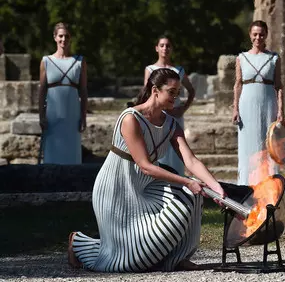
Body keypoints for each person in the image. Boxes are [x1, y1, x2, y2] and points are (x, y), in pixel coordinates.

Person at [68, 68, 225, 272]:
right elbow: (145, 166)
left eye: (178, 92)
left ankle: (177, 258)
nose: (176, 97)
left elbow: (191, 160)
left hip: (146, 189)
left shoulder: (171, 124)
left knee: (192, 197)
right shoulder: (130, 118)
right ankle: (78, 242)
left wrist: (217, 189)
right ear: (155, 90)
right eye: (171, 91)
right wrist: (187, 181)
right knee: (129, 262)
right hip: (117, 190)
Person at [232, 20, 283, 186]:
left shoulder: (274, 58)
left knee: (268, 144)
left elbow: (279, 86)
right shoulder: (242, 58)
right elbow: (238, 84)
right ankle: (247, 185)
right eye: (255, 34)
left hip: (268, 103)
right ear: (250, 35)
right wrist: (235, 108)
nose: (258, 37)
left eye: (261, 34)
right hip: (247, 104)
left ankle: (269, 185)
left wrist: (281, 110)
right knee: (249, 145)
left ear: (266, 35)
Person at [143, 36, 195, 176]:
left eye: (168, 45)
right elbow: (147, 92)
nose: (165, 48)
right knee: (159, 149)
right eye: (162, 45)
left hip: (175, 115)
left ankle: (177, 180)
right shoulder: (150, 69)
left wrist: (183, 109)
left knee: (177, 149)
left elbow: (191, 90)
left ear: (171, 49)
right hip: (157, 116)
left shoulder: (178, 70)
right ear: (157, 48)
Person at [38, 22, 87, 164]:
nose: (63, 39)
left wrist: (83, 117)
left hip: (72, 115)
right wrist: (41, 116)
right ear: (55, 37)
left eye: (66, 36)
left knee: (72, 153)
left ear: (70, 38)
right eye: (60, 36)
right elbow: (42, 91)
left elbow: (83, 91)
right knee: (52, 152)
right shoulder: (46, 61)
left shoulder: (79, 61)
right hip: (53, 115)